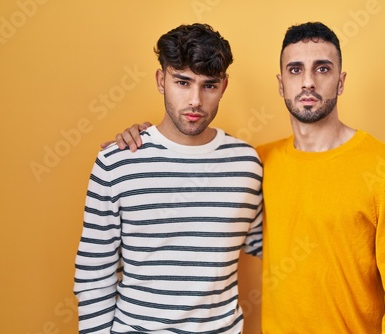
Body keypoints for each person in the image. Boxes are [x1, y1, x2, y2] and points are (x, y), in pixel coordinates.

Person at [109, 22, 385, 333]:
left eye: (322, 69)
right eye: (295, 70)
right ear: (281, 84)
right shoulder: (256, 162)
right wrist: (147, 141)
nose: (308, 82)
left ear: (341, 81)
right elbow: (191, 179)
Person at [74, 23, 263, 334]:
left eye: (209, 86)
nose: (195, 101)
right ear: (161, 80)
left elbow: (269, 243)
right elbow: (94, 276)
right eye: (182, 82)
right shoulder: (117, 162)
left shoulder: (247, 164)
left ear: (224, 87)